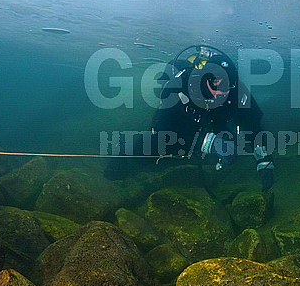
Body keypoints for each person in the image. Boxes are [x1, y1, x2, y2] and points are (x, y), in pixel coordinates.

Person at [108, 45, 275, 190]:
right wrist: (207, 142)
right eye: (217, 84)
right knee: (152, 155)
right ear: (205, 79)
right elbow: (161, 127)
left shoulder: (237, 90)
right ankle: (123, 146)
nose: (224, 91)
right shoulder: (180, 85)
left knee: (230, 144)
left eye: (229, 85)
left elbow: (253, 124)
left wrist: (263, 159)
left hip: (212, 124)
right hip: (181, 127)